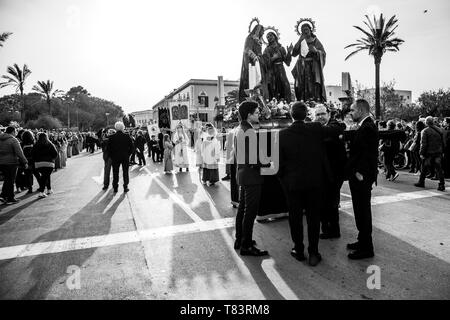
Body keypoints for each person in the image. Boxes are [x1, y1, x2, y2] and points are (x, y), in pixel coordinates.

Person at [278, 102, 344, 266]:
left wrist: (285, 182)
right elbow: (338, 128)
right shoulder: (315, 128)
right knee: (314, 218)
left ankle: (298, 250)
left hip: (293, 184)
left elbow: (278, 164)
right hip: (315, 183)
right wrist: (337, 118)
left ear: (291, 115)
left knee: (295, 218)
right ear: (307, 114)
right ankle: (314, 252)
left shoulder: (282, 134)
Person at [234, 101, 269, 256]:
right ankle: (246, 245)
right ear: (249, 114)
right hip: (252, 176)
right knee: (250, 212)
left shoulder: (238, 129)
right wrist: (268, 163)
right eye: (256, 112)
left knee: (242, 208)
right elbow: (254, 158)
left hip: (243, 174)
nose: (258, 114)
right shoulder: (249, 131)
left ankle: (240, 238)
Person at [346, 99, 379, 260]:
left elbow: (367, 155)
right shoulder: (365, 126)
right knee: (359, 211)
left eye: (352, 110)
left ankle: (367, 248)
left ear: (360, 110)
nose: (350, 113)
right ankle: (362, 240)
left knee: (363, 211)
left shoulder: (367, 127)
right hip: (359, 176)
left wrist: (360, 173)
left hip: (361, 178)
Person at [313, 104, 347, 240]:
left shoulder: (335, 125)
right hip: (322, 172)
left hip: (334, 173)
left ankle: (333, 230)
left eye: (322, 114)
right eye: (317, 114)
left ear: (328, 114)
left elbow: (330, 131)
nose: (320, 117)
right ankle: (326, 228)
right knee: (323, 202)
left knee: (331, 203)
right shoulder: (317, 127)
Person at [291, 22, 327, 102]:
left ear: (310, 30)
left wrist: (316, 51)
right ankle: (302, 101)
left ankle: (314, 102)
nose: (305, 31)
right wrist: (300, 40)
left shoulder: (315, 40)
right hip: (302, 67)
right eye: (303, 30)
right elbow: (294, 54)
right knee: (301, 86)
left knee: (313, 86)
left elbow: (323, 53)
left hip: (313, 68)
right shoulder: (301, 41)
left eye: (306, 29)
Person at [238, 22, 268, 102]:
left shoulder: (258, 40)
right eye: (262, 30)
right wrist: (254, 57)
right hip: (252, 64)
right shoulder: (250, 38)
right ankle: (251, 99)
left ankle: (260, 99)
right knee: (252, 82)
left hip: (259, 64)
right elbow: (247, 49)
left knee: (260, 82)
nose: (263, 33)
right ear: (257, 30)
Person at [414, 116, 446, 191]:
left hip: (429, 153)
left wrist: (421, 153)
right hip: (438, 152)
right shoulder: (440, 130)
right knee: (439, 169)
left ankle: (421, 182)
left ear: (426, 122)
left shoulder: (425, 131)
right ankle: (442, 184)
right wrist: (443, 151)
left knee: (424, 168)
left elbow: (423, 144)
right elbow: (443, 142)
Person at [0, 126, 28, 204]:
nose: (16, 133)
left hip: (1, 163)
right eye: (15, 131)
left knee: (7, 180)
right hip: (11, 163)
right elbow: (19, 152)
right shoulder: (13, 140)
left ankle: (3, 195)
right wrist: (25, 162)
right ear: (12, 132)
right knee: (11, 180)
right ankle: (10, 198)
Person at [263, 31, 292, 103]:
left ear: (275, 36)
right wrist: (273, 58)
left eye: (270, 36)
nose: (269, 38)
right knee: (274, 87)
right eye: (267, 37)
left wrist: (289, 52)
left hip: (281, 70)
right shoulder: (267, 50)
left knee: (285, 86)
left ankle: (286, 104)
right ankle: (275, 105)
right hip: (272, 71)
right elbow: (264, 64)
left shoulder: (281, 48)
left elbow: (287, 63)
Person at [107, 122, 134, 193]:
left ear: (116, 127)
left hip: (115, 157)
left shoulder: (111, 137)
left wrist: (112, 156)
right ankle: (125, 186)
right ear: (123, 128)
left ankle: (115, 187)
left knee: (115, 172)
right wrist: (128, 154)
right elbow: (131, 147)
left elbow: (108, 149)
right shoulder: (126, 136)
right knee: (125, 172)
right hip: (125, 157)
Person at [32, 132, 58, 199]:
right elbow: (55, 154)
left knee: (45, 176)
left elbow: (32, 154)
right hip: (49, 163)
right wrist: (52, 159)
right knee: (45, 177)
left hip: (38, 164)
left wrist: (36, 160)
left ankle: (49, 189)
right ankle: (41, 192)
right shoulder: (50, 144)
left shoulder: (36, 144)